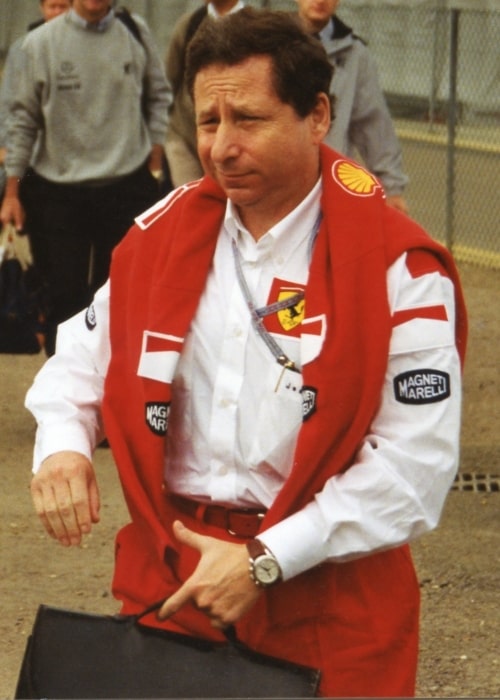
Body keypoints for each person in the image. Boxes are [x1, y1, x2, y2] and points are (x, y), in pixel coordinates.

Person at [25, 8, 467, 698]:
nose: (222, 148)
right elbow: (81, 359)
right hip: (177, 590)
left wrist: (265, 559)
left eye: (250, 121)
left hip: (330, 600)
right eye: (208, 123)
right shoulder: (157, 241)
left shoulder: (399, 269)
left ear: (318, 116)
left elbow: (417, 467)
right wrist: (62, 444)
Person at [0, 0, 171, 355]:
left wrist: (154, 164)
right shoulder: (39, 44)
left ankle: (111, 389)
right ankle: (64, 397)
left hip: (126, 185)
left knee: (120, 292)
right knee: (65, 296)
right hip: (59, 193)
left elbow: (159, 96)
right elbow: (21, 124)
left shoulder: (135, 32)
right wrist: (12, 193)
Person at [295, 0, 409, 213]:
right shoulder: (276, 47)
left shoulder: (355, 53)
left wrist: (392, 189)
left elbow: (373, 123)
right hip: (283, 185)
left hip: (333, 187)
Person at [164, 0, 245, 187]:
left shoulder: (255, 25)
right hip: (185, 138)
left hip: (233, 139)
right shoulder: (190, 24)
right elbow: (169, 81)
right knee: (193, 201)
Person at [0, 0, 72, 197]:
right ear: (42, 9)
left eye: (63, 7)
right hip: (32, 153)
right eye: (52, 6)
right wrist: (6, 148)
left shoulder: (86, 45)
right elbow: (9, 104)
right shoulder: (22, 48)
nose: (57, 12)